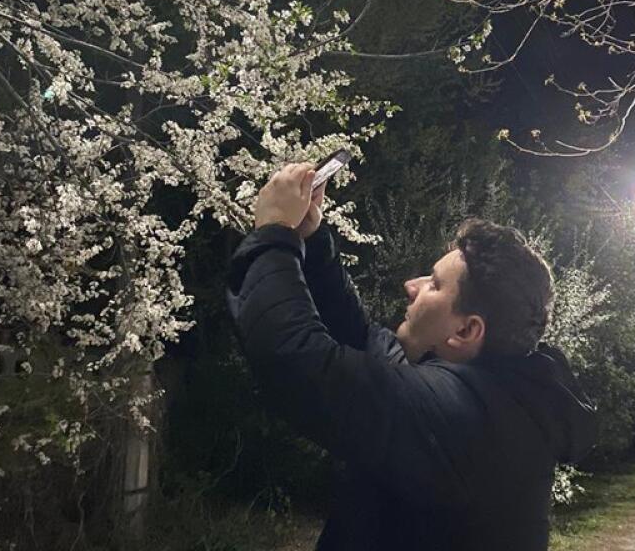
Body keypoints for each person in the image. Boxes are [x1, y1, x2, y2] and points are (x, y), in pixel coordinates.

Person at [226, 163, 597, 550]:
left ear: (466, 330)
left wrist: (274, 234)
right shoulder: (490, 392)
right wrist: (312, 240)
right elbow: (364, 343)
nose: (411, 286)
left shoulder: (462, 421)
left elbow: (297, 361)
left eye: (434, 284)